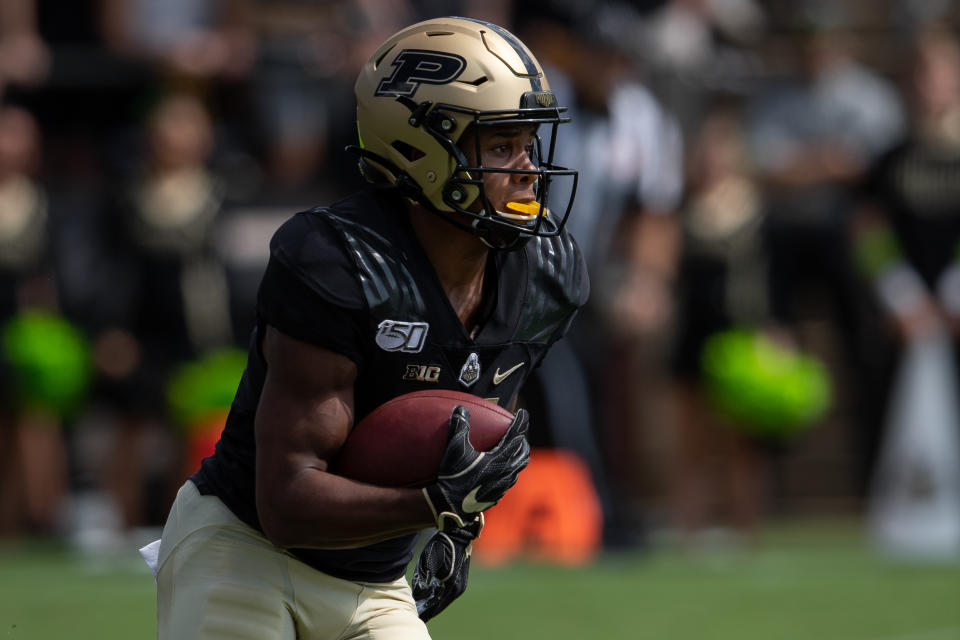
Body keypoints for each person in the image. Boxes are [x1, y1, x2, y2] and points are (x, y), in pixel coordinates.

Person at [148, 16, 588, 639]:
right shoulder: (343, 261)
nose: (526, 170)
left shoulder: (547, 275)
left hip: (371, 579)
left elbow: (464, 432)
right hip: (244, 550)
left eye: (528, 143)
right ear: (421, 147)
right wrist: (432, 505)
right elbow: (286, 501)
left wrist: (458, 524)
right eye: (499, 145)